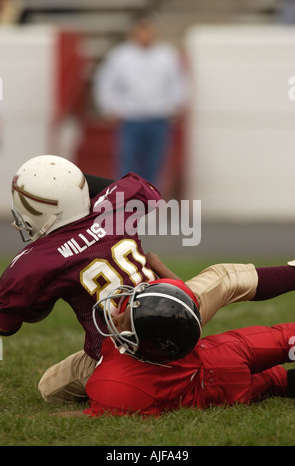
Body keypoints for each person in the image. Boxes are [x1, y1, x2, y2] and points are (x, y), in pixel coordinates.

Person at [0, 154, 161, 402]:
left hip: (119, 356)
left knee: (48, 388)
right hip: (169, 320)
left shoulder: (36, 261)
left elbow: (7, 324)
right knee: (224, 278)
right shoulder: (116, 206)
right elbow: (148, 190)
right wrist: (70, 183)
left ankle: (113, 381)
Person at [83, 320, 295, 417]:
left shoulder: (115, 384)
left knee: (275, 381)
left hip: (214, 394)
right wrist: (158, 265)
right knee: (285, 339)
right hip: (221, 353)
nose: (119, 316)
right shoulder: (177, 321)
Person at [93, 16, 188, 185]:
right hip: (131, 118)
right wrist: (109, 106)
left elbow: (178, 81)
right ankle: (125, 201)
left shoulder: (166, 55)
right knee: (128, 162)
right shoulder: (121, 55)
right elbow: (105, 81)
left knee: (155, 163)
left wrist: (176, 104)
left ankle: (150, 201)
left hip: (158, 117)